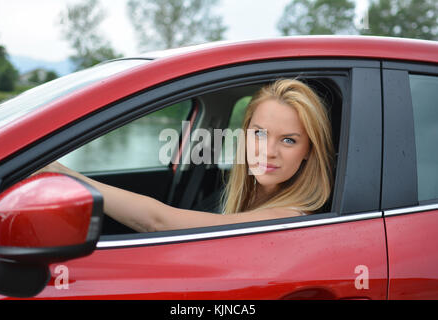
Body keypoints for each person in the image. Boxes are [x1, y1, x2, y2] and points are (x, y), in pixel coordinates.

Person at [35, 79, 335, 232]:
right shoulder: (245, 191)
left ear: (309, 150)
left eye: (289, 140)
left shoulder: (289, 216)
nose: (268, 151)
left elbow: (158, 222)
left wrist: (67, 176)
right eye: (259, 133)